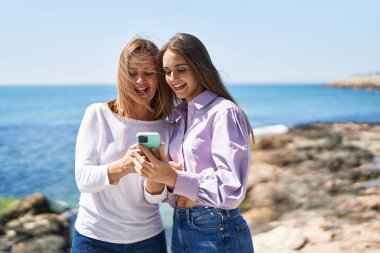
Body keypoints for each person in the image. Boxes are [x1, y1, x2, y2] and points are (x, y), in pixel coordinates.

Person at [135, 33, 255, 253]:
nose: (173, 78)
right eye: (168, 72)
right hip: (180, 224)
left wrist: (173, 177)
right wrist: (161, 173)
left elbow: (231, 188)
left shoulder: (224, 112)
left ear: (199, 67)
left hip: (216, 228)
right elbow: (175, 183)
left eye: (181, 70)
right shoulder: (179, 118)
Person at [72, 38, 174, 253]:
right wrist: (125, 166)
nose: (140, 80)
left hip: (148, 239)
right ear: (122, 75)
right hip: (94, 238)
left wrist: (154, 177)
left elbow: (157, 198)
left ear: (159, 78)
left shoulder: (166, 127)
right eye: (133, 72)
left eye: (148, 72)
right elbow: (83, 180)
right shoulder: (98, 114)